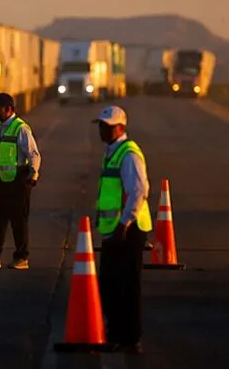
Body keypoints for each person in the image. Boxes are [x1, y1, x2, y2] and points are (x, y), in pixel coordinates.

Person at [93, 105, 152, 354]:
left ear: (121, 128)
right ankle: (116, 332)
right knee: (110, 284)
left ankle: (128, 337)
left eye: (106, 127)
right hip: (116, 230)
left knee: (126, 285)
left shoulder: (128, 154)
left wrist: (123, 224)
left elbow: (139, 191)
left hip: (127, 230)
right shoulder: (112, 152)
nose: (101, 131)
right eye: (100, 126)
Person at [0, 93, 41, 270]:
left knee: (18, 221)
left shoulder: (20, 128)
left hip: (18, 182)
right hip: (1, 182)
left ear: (9, 109)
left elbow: (33, 154)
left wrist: (33, 176)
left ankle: (21, 258)